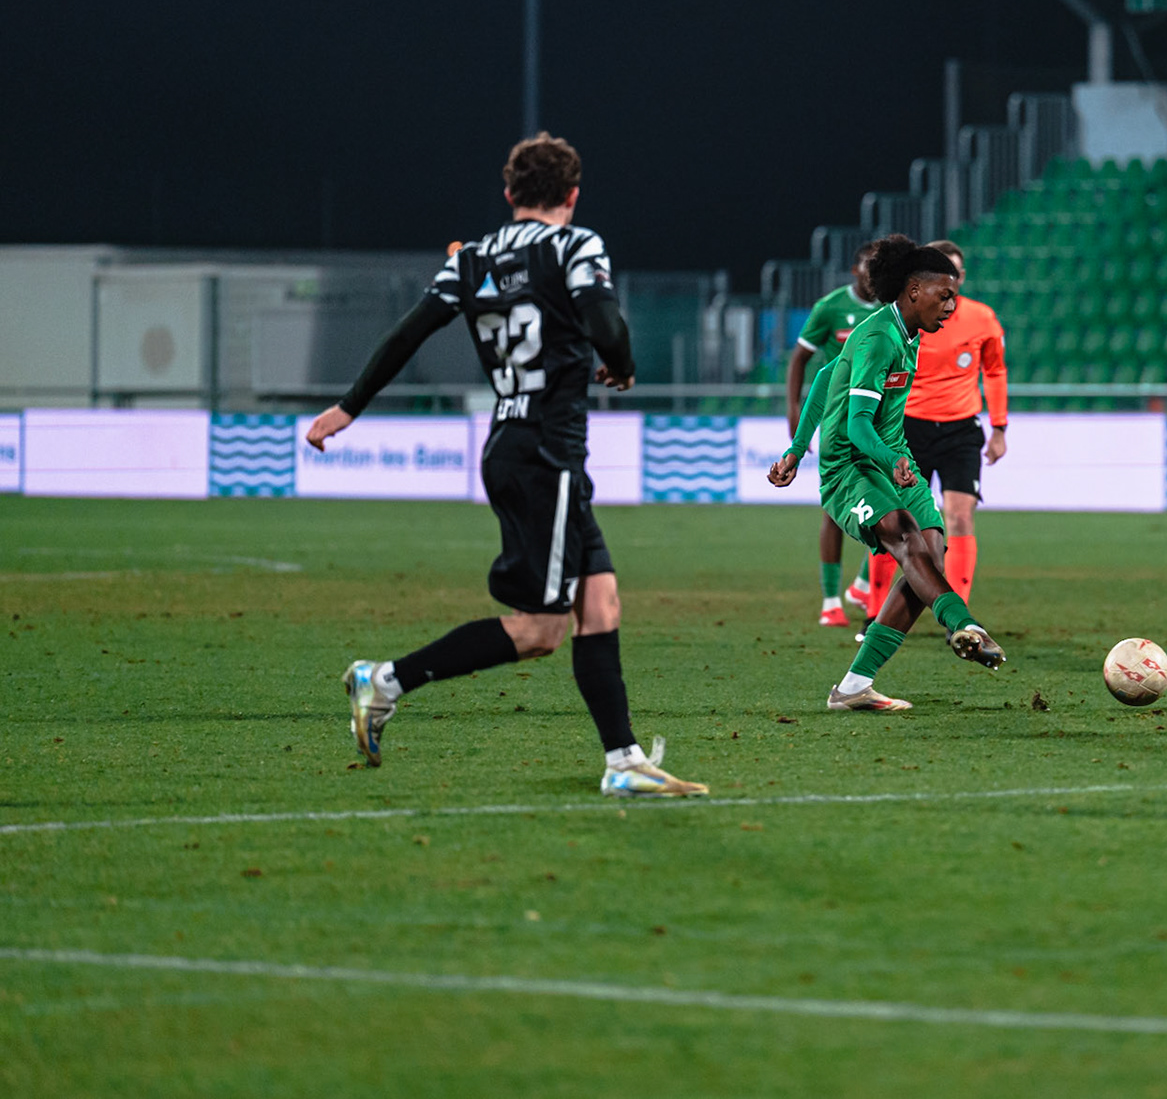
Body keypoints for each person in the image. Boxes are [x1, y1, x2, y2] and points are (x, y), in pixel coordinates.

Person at [306, 132, 705, 796]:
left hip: (519, 445)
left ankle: (623, 761)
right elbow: (606, 323)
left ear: (509, 194)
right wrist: (623, 367)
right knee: (544, 629)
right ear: (573, 196)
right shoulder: (576, 244)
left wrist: (350, 407)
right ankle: (384, 681)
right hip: (543, 451)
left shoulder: (472, 257)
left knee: (600, 601)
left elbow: (408, 332)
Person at [769, 235, 1006, 711]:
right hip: (850, 468)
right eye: (944, 296)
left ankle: (855, 686)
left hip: (892, 459)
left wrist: (797, 450)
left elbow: (824, 375)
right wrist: (803, 450)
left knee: (932, 554)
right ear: (914, 290)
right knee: (904, 538)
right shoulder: (880, 337)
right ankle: (963, 623)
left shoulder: (907, 332)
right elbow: (857, 427)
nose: (951, 306)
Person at [899, 239, 1008, 608]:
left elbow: (994, 371)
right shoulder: (903, 318)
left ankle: (958, 618)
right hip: (908, 428)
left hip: (961, 429)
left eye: (956, 272)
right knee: (900, 525)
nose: (952, 280)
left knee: (960, 517)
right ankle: (875, 611)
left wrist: (999, 428)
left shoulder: (982, 318)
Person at [787, 241, 881, 628]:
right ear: (855, 271)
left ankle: (862, 583)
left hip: (878, 415)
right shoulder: (829, 307)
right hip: (838, 416)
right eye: (869, 269)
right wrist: (794, 412)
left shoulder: (892, 309)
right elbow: (800, 360)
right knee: (834, 509)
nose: (875, 278)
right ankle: (830, 600)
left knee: (890, 496)